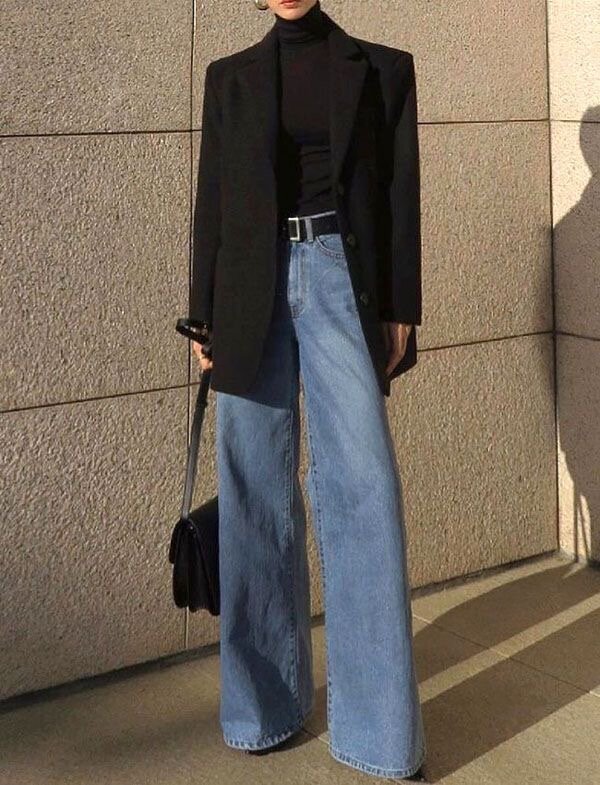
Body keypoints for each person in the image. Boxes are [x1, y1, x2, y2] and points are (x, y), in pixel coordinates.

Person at [187, 1, 426, 780]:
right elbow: (214, 201)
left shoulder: (383, 69)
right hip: (247, 293)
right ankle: (262, 709)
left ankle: (380, 735)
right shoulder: (229, 79)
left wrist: (401, 305)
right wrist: (202, 316)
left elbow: (397, 195)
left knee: (364, 486)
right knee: (253, 493)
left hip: (339, 280)